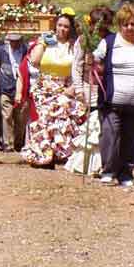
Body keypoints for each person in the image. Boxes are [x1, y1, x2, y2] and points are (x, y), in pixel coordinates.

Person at [91, 3, 134, 187]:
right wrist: (91, 62)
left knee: (131, 138)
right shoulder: (110, 42)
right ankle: (108, 170)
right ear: (120, 25)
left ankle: (126, 173)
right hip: (113, 101)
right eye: (126, 24)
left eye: (133, 24)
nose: (130, 28)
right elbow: (95, 59)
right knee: (110, 136)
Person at [19, 11, 87, 168]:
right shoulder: (46, 42)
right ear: (55, 26)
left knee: (61, 119)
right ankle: (43, 153)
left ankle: (60, 153)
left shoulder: (74, 46)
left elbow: (79, 69)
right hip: (44, 87)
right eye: (60, 25)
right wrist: (42, 43)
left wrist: (72, 87)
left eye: (66, 26)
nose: (62, 29)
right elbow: (34, 61)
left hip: (64, 87)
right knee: (43, 120)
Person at [64, 6, 113, 176]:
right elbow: (76, 67)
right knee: (92, 124)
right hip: (88, 86)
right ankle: (86, 163)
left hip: (106, 87)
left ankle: (103, 163)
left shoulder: (111, 39)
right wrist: (78, 88)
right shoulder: (83, 40)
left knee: (103, 124)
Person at [0, 32, 27, 152]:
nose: (14, 43)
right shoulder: (1, 51)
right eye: (12, 40)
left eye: (16, 40)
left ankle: (19, 142)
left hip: (22, 89)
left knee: (20, 117)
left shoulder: (25, 51)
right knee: (6, 115)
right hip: (5, 88)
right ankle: (8, 143)